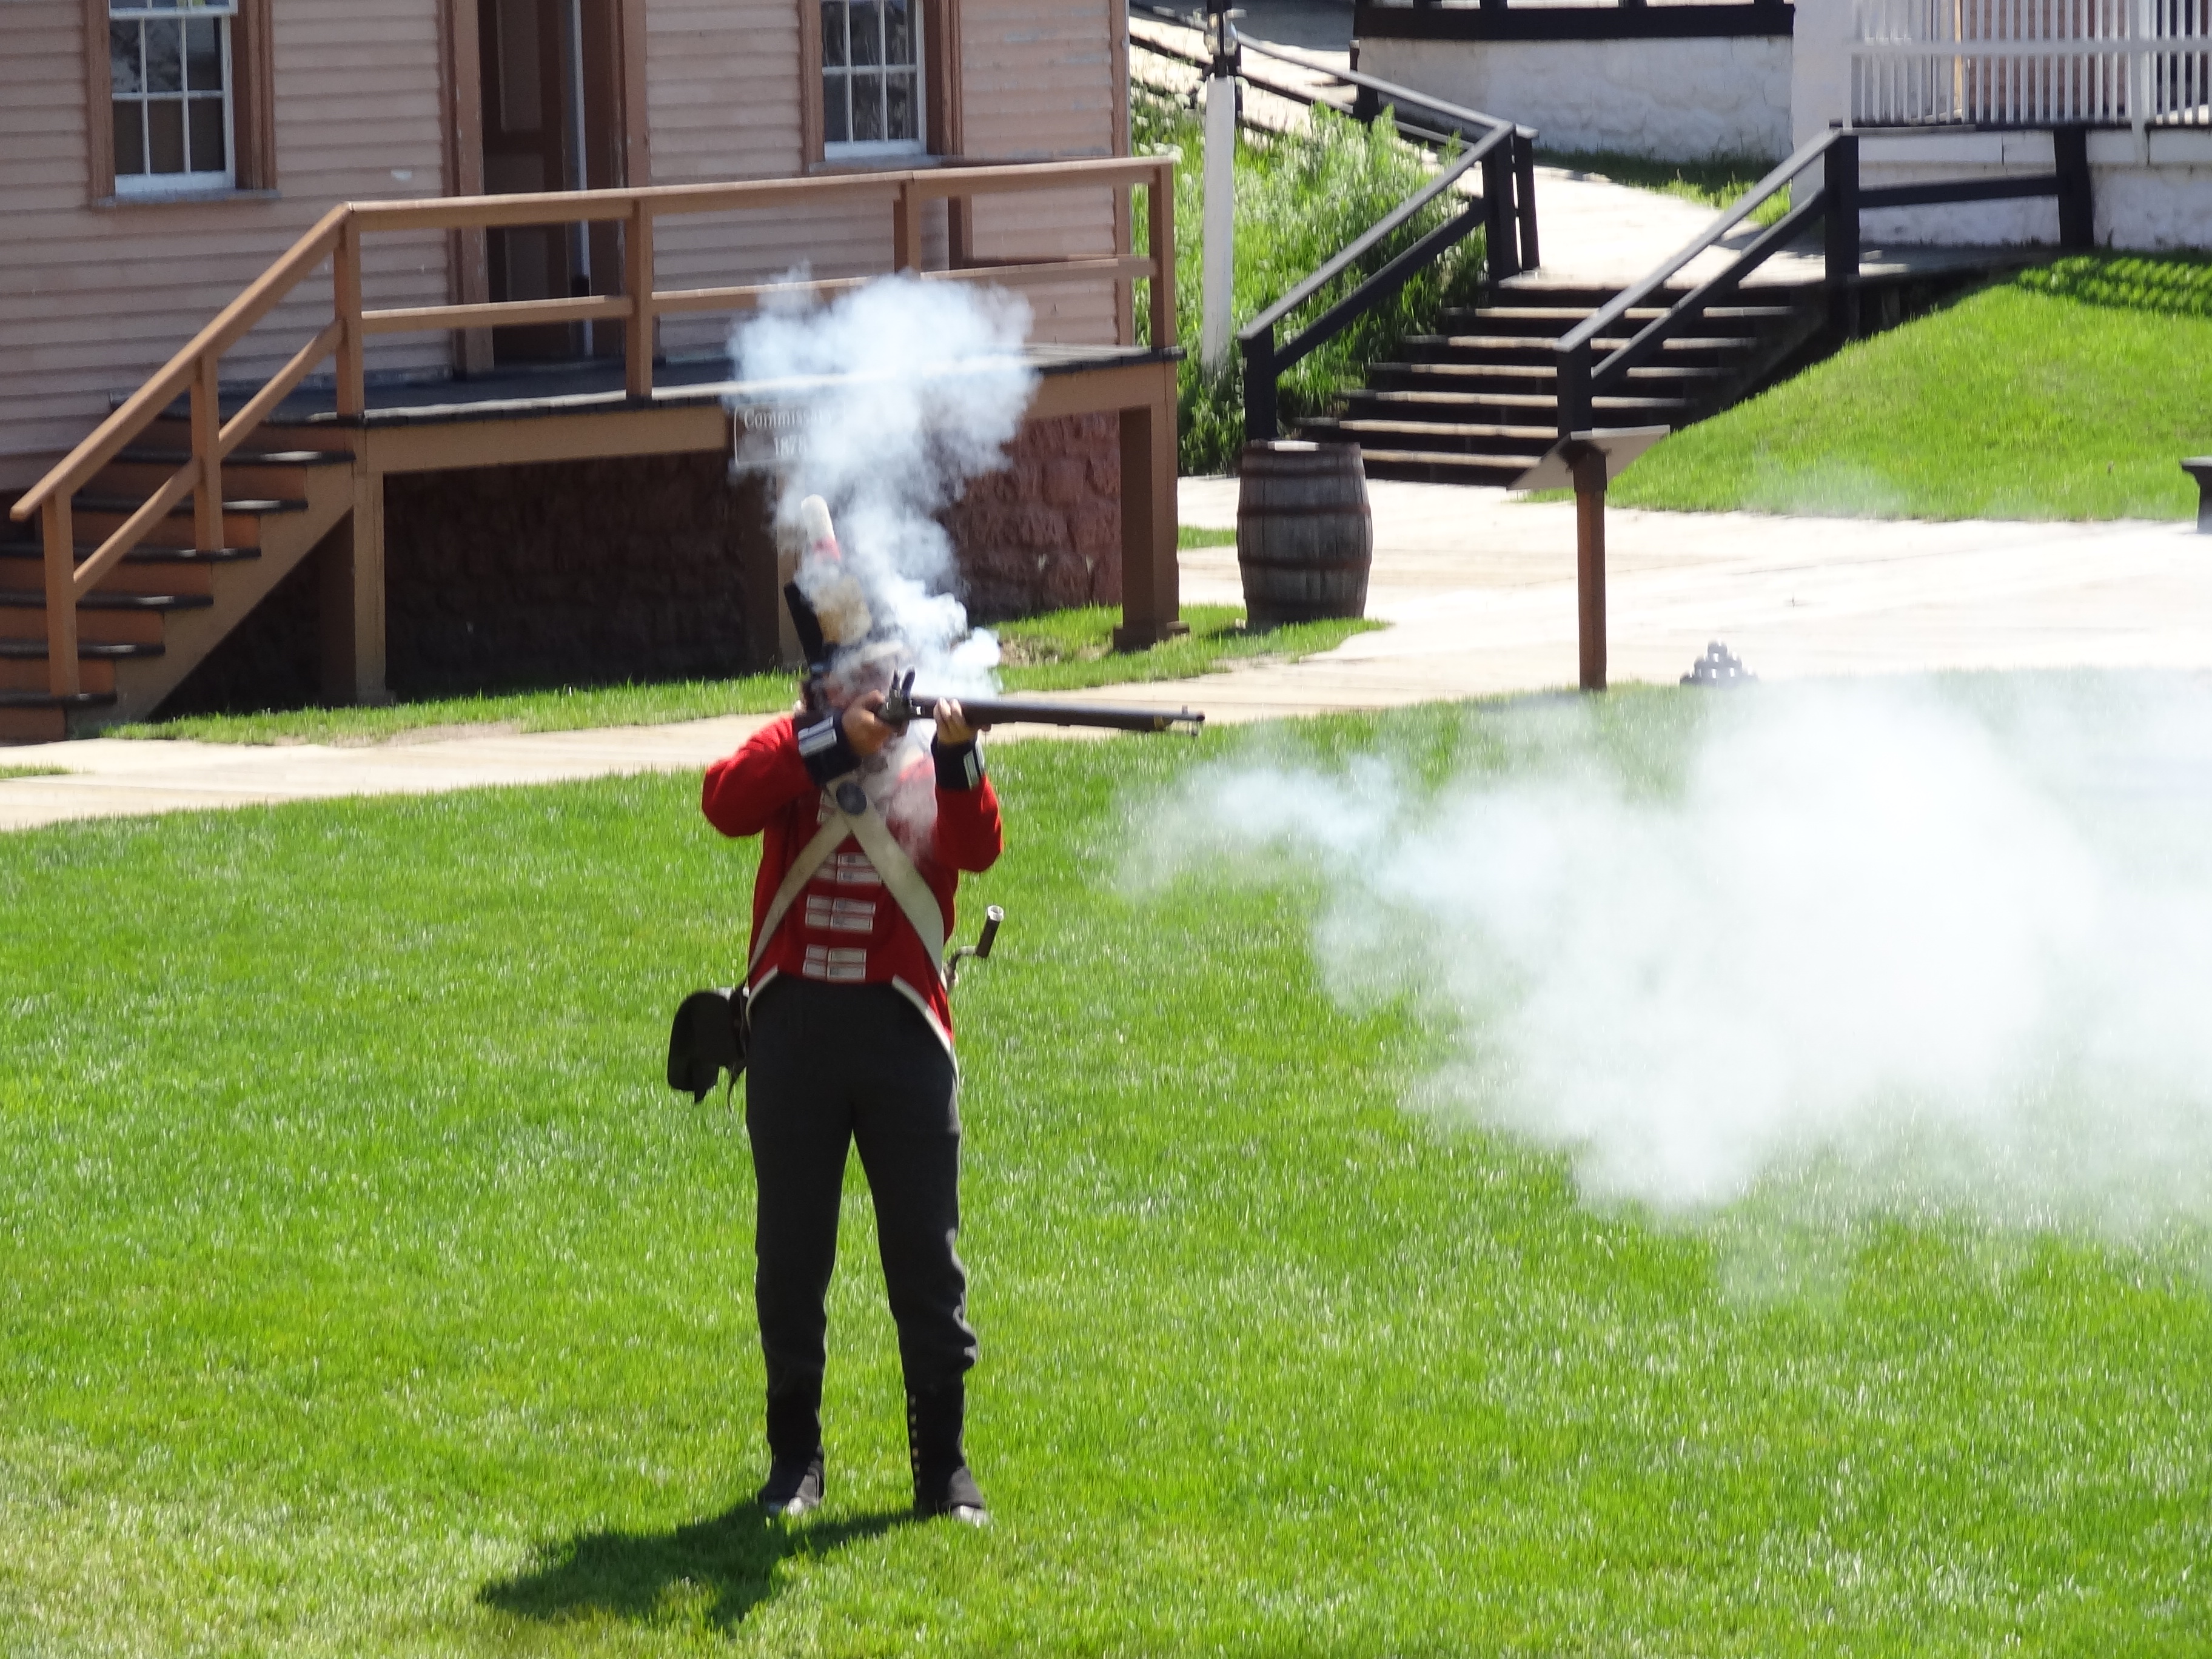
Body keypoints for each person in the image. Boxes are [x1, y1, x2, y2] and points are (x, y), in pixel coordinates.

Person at [701, 651, 1003, 1524]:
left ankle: (943, 1468)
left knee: (926, 1259)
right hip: (793, 1030)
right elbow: (725, 801)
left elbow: (978, 848)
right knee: (791, 1259)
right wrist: (830, 742)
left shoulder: (928, 764)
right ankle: (795, 1459)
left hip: (903, 1027)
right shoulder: (800, 746)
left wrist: (958, 753)